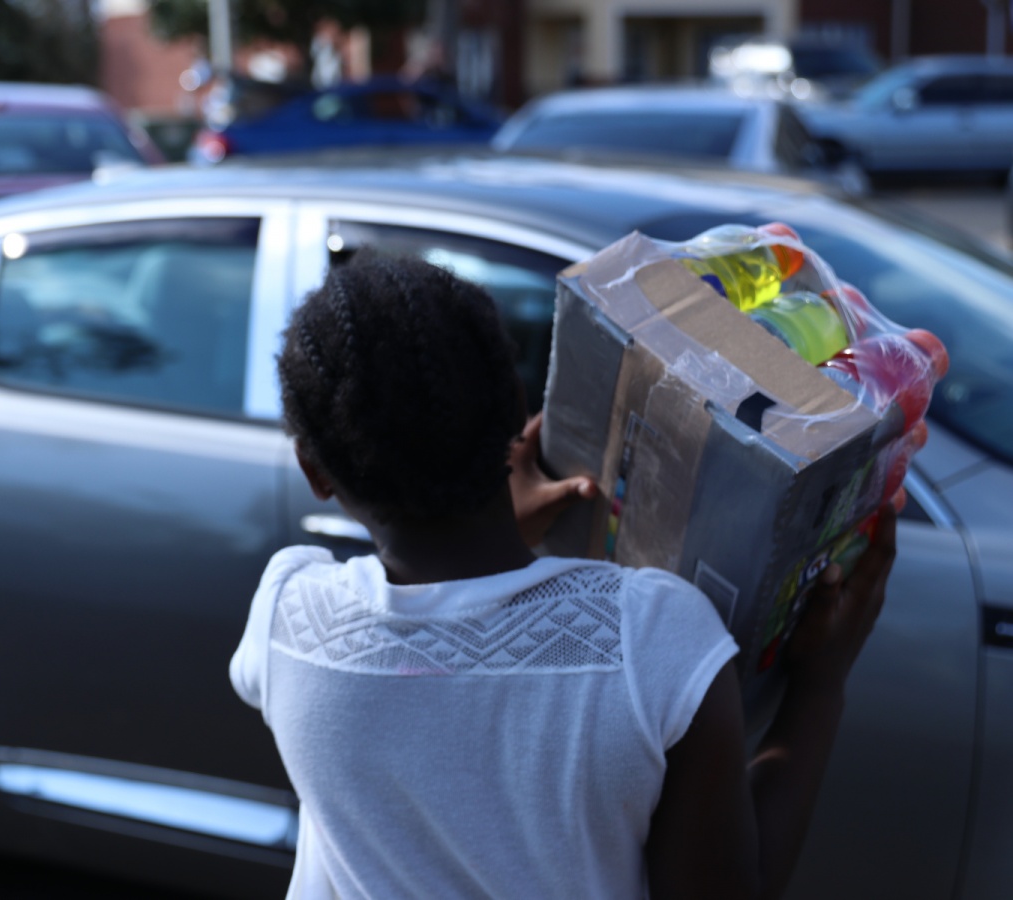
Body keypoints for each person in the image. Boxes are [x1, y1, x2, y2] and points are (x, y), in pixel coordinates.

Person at [230, 251, 896, 899]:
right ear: (515, 403)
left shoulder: (290, 620)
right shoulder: (653, 640)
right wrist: (819, 689)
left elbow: (434, 684)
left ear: (316, 473)